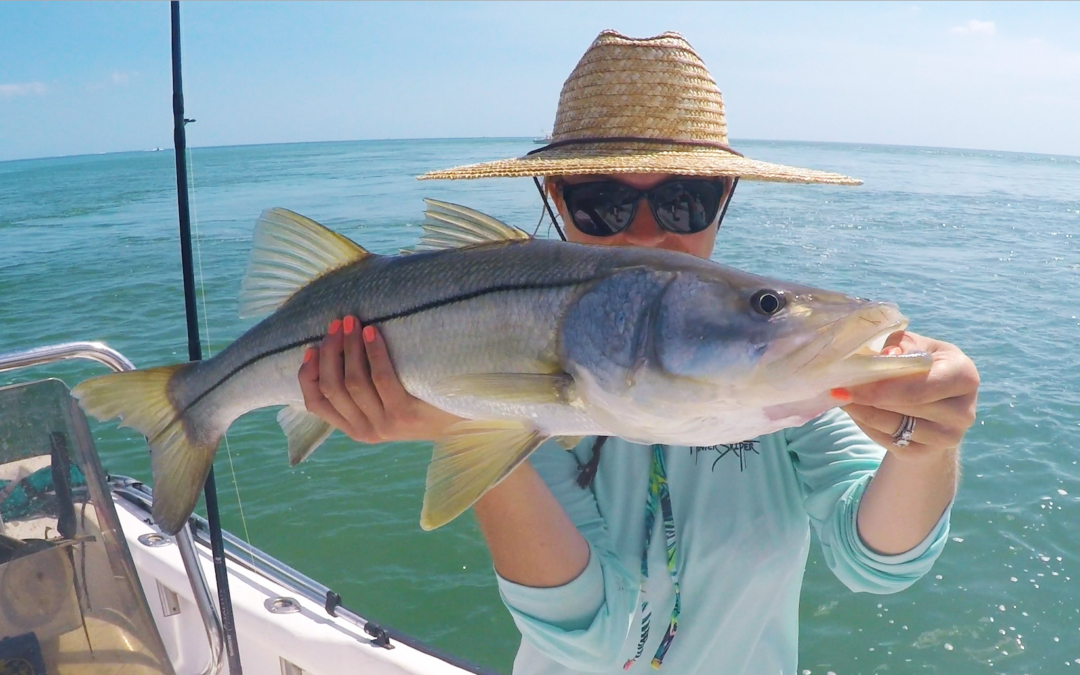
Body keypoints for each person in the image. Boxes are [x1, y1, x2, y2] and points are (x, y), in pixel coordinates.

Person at [297, 31, 978, 675]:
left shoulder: (775, 374)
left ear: (725, 197)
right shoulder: (542, 373)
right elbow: (593, 635)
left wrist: (926, 445)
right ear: (556, 198)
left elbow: (879, 562)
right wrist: (469, 419)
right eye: (605, 203)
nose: (650, 236)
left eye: (686, 200)